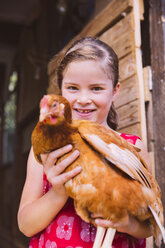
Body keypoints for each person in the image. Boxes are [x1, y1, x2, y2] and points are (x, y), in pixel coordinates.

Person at [18, 37, 153, 248]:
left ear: (115, 91)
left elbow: (150, 223)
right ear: (61, 90)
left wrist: (127, 223)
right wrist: (59, 192)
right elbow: (26, 226)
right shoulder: (45, 150)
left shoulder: (131, 148)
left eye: (96, 88)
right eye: (72, 87)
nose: (83, 99)